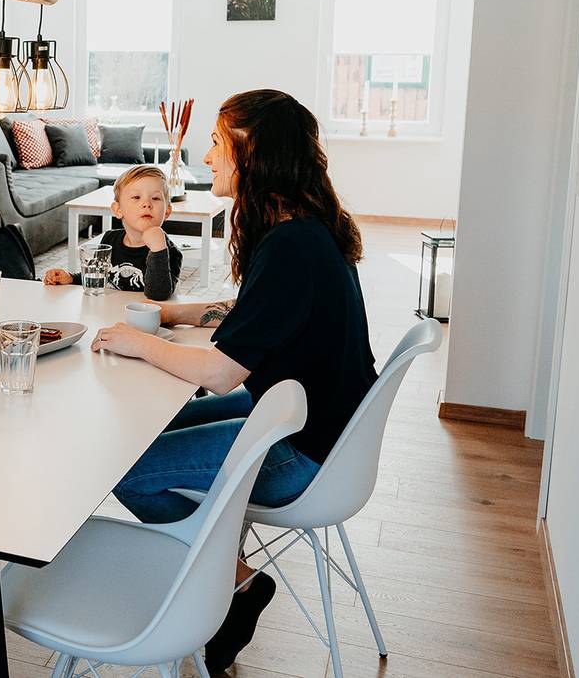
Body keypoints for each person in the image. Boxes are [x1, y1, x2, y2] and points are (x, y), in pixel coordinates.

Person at [90, 90, 376, 674]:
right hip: (312, 419)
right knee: (157, 425)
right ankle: (219, 564)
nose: (208, 155)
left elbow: (220, 374)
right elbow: (252, 313)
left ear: (253, 153)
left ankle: (231, 583)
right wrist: (170, 315)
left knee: (125, 467)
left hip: (305, 450)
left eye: (219, 143)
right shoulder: (303, 229)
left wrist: (136, 341)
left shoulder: (289, 247)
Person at [43, 165, 184, 300]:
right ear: (118, 209)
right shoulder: (110, 239)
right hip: (109, 311)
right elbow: (98, 276)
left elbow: (159, 295)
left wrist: (158, 250)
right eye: (136, 197)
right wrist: (71, 278)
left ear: (167, 211)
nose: (147, 204)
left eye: (155, 198)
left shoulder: (170, 251)